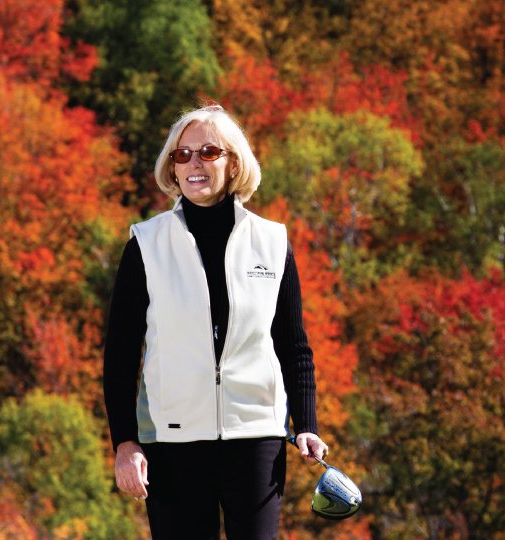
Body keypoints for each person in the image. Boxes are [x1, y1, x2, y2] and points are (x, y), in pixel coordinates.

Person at [102, 104, 329, 538]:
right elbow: (120, 355)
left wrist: (307, 425)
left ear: (234, 162)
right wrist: (125, 443)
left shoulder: (272, 242)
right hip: (171, 443)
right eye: (181, 155)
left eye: (208, 152)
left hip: (257, 437)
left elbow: (293, 345)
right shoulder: (146, 244)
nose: (193, 164)